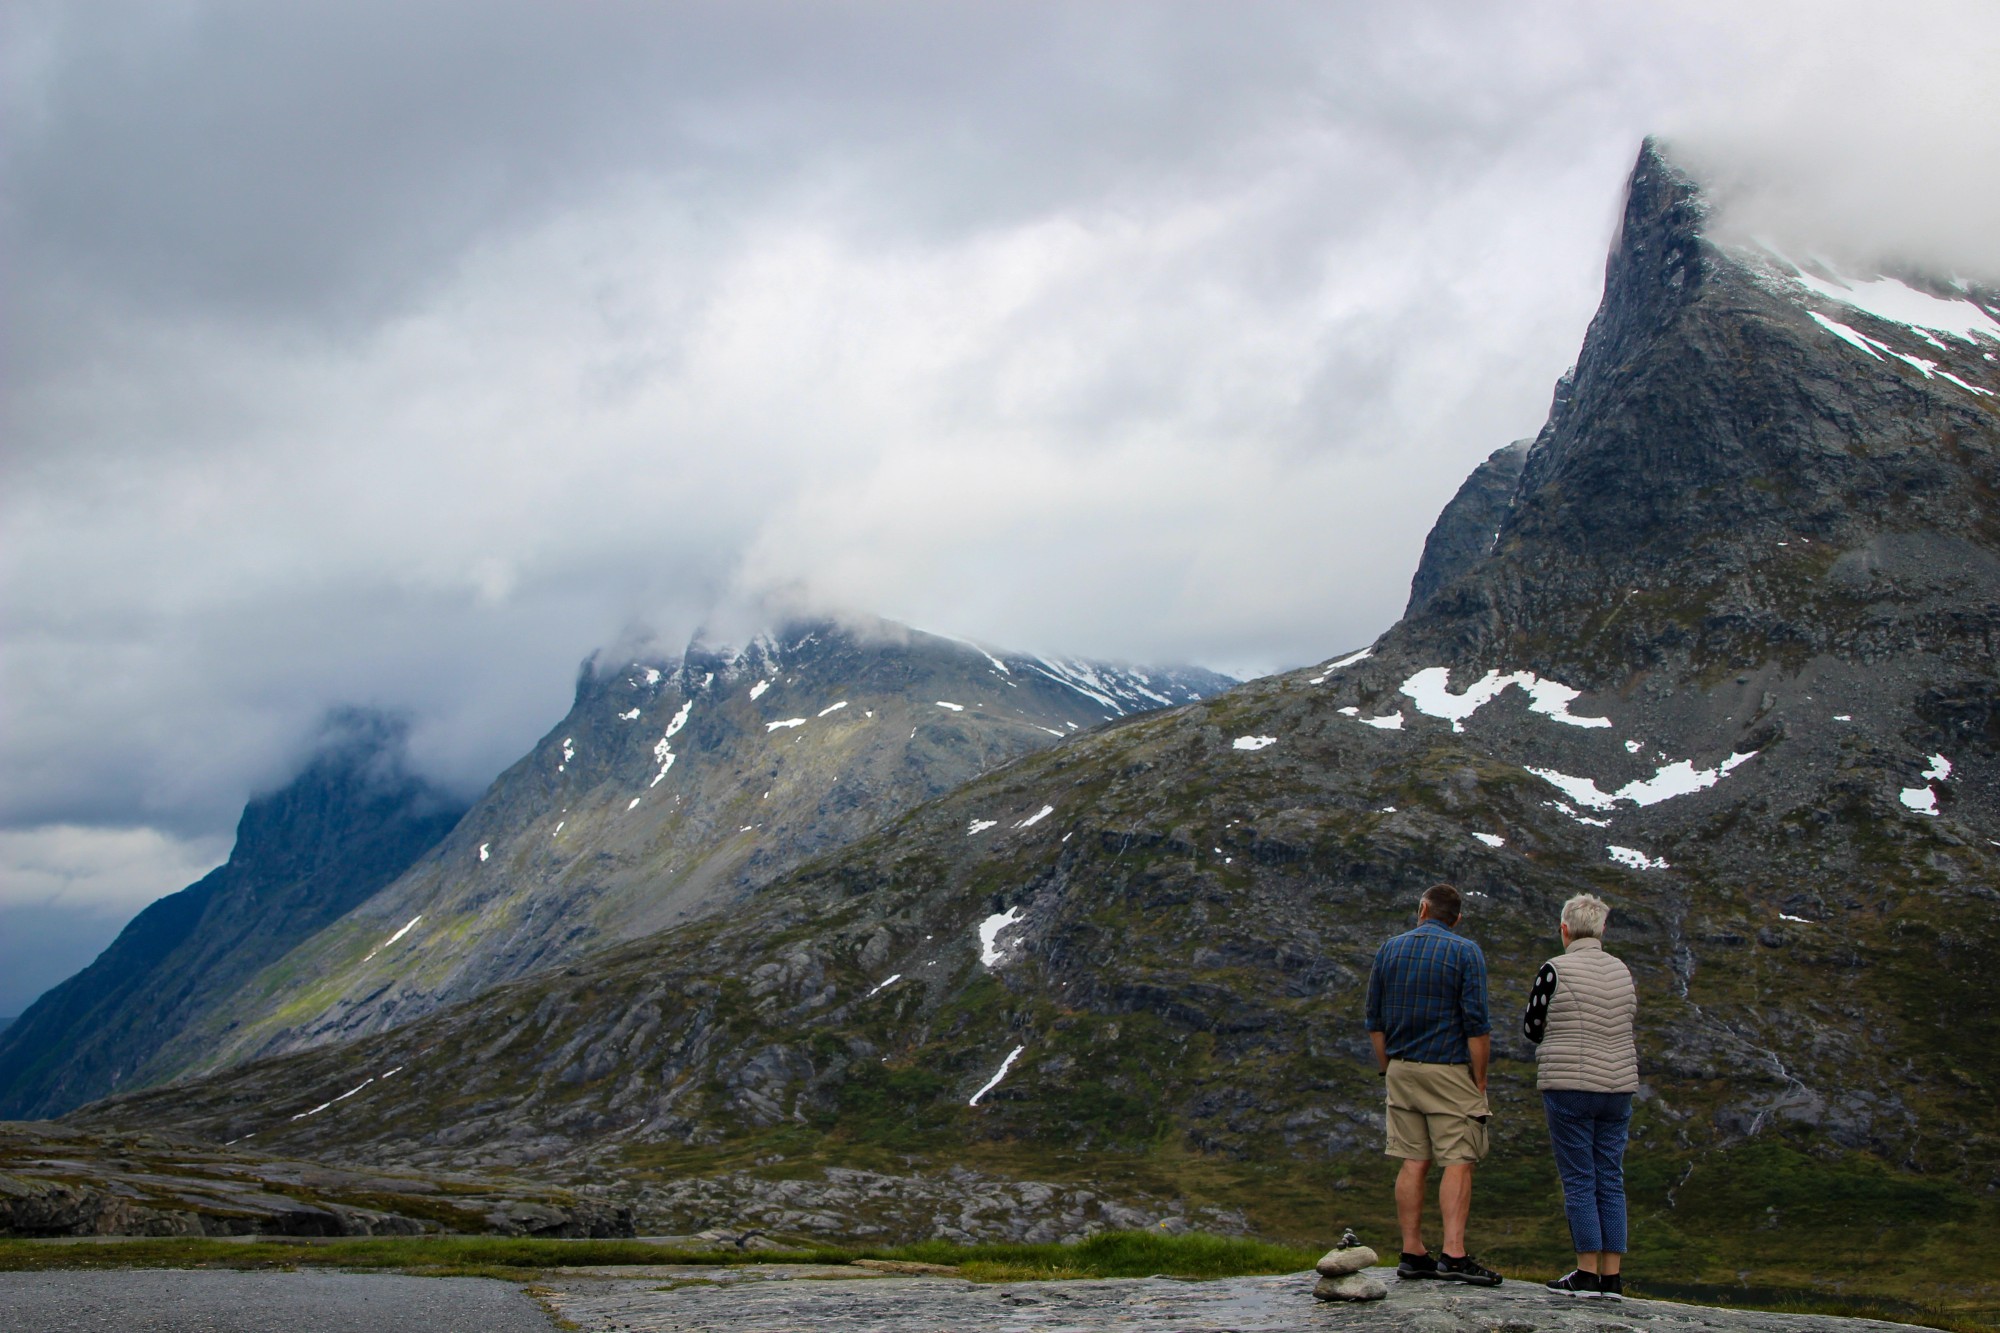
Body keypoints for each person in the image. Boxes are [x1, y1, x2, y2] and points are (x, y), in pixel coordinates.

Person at [1365, 882, 1502, 1286]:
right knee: (1458, 1159)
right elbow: (1477, 1025)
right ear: (1456, 918)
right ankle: (1454, 1255)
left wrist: (1388, 1067)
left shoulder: (1390, 948)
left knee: (1413, 1159)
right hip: (1448, 1068)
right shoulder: (1465, 952)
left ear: (1422, 908)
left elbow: (1373, 1020)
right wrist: (1479, 1081)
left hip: (1401, 1068)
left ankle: (1412, 1252)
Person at [1521, 892, 1637, 1300]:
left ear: (1564, 929)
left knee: (1579, 1178)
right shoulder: (1622, 971)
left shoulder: (1554, 970)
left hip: (1569, 1085)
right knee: (1611, 1176)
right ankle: (1613, 1277)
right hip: (1618, 1088)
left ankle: (1586, 1272)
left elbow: (1532, 1027)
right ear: (1602, 929)